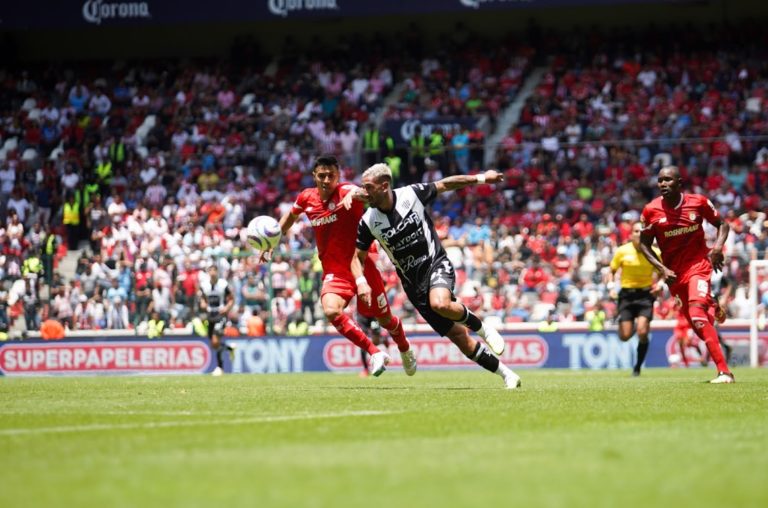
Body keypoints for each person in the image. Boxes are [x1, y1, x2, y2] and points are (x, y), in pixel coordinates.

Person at [351, 163, 521, 389]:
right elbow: (357, 257)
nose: (364, 192)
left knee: (440, 303)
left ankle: (484, 329)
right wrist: (361, 281)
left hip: (435, 263)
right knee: (461, 340)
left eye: (368, 187)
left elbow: (446, 184)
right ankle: (507, 374)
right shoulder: (368, 221)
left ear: (384, 186)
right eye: (362, 187)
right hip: (414, 286)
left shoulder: (411, 195)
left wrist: (481, 178)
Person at [262, 154, 416, 377]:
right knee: (331, 310)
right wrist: (271, 242)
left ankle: (404, 348)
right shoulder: (307, 198)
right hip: (335, 271)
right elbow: (290, 217)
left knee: (384, 319)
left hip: (363, 265)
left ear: (338, 176)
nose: (326, 180)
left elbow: (367, 194)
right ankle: (375, 353)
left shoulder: (345, 191)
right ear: (314, 176)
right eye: (322, 175)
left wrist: (356, 192)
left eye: (331, 175)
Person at [638, 165, 734, 384]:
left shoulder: (698, 202)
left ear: (679, 183)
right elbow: (644, 245)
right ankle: (713, 304)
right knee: (699, 326)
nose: (663, 184)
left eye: (668, 180)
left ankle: (724, 372)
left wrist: (717, 248)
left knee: (698, 313)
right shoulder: (650, 211)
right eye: (660, 180)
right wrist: (661, 269)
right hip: (674, 274)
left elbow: (722, 224)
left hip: (699, 266)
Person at [609, 221, 662, 376]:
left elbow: (663, 272)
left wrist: (660, 284)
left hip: (645, 295)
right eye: (636, 231)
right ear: (631, 234)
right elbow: (611, 271)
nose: (639, 234)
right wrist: (611, 287)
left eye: (642, 231)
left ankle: (637, 367)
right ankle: (631, 324)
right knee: (625, 336)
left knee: (642, 332)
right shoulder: (622, 251)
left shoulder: (655, 252)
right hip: (626, 295)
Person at [197, 265, 235, 376]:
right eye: (210, 270)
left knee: (215, 340)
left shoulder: (223, 284)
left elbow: (231, 298)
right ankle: (229, 348)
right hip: (210, 315)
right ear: (208, 272)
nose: (213, 272)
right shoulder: (204, 285)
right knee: (213, 344)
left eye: (214, 270)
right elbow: (202, 298)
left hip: (220, 315)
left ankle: (220, 368)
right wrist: (203, 303)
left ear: (217, 272)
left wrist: (227, 308)